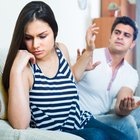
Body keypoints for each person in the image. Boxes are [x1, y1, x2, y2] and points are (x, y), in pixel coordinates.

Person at [1, 1, 131, 140]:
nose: (35, 45)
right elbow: (20, 124)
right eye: (28, 38)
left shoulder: (61, 50)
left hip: (80, 120)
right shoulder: (25, 68)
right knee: (97, 136)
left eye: (42, 36)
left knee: (123, 137)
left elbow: (72, 76)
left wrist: (89, 50)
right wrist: (15, 69)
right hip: (57, 132)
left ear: (54, 31)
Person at [76, 16, 140, 139]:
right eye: (117, 32)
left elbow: (120, 104)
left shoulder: (131, 73)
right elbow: (68, 80)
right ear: (110, 37)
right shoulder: (91, 55)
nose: (120, 37)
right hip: (81, 117)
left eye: (126, 35)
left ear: (132, 44)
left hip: (102, 116)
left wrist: (124, 107)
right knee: (128, 123)